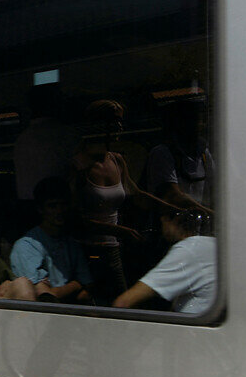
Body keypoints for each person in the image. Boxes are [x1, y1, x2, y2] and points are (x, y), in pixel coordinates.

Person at [72, 100, 176, 303]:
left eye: (120, 122)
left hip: (113, 249)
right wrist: (121, 231)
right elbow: (76, 219)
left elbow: (136, 195)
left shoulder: (116, 160)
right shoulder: (79, 165)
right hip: (86, 253)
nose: (120, 127)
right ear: (99, 125)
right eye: (114, 122)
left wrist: (174, 209)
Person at [114, 209, 216, 313]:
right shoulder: (212, 244)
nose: (161, 231)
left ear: (173, 221)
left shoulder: (189, 249)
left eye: (161, 224)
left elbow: (123, 303)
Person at [10, 177, 94, 304]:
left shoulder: (71, 244)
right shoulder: (26, 246)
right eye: (52, 206)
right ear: (40, 209)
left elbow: (87, 288)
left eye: (63, 205)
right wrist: (76, 285)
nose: (59, 211)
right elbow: (43, 296)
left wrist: (69, 289)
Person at [146, 97, 214, 213]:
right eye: (194, 120)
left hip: (201, 221)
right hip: (173, 222)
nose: (200, 125)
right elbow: (173, 195)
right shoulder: (162, 153)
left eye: (202, 121)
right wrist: (213, 214)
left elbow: (217, 187)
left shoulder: (203, 153)